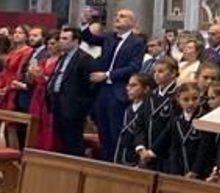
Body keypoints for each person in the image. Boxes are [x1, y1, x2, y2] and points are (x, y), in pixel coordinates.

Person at [82, 9, 146, 164]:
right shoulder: (109, 37)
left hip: (118, 91)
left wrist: (108, 75)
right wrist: (86, 23)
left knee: (115, 131)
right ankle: (105, 163)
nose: (117, 18)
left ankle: (117, 164)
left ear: (132, 22)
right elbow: (89, 38)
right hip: (102, 90)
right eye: (116, 16)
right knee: (103, 131)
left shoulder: (136, 42)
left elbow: (133, 67)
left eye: (122, 16)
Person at [46, 26, 97, 156]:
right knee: (62, 140)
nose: (61, 41)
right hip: (58, 103)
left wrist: (82, 106)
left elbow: (91, 86)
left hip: (73, 107)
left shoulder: (85, 59)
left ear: (76, 41)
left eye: (65, 38)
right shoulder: (63, 57)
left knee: (73, 142)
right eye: (60, 38)